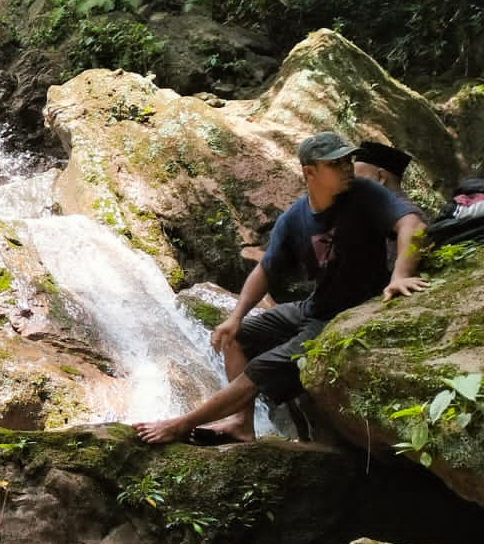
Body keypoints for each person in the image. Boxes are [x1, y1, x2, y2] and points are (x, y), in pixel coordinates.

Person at [134, 132, 427, 445]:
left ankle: (179, 425)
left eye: (348, 160)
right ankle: (241, 425)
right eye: (336, 163)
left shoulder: (364, 193)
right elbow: (265, 270)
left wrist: (399, 275)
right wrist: (235, 316)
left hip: (345, 316)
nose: (347, 168)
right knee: (238, 337)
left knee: (259, 370)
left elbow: (412, 224)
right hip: (314, 308)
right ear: (309, 172)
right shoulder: (295, 218)